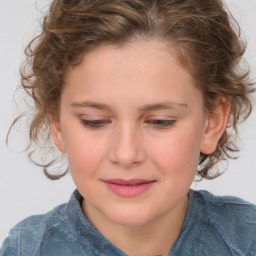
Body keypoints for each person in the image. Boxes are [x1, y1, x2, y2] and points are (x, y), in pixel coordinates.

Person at [1, 0, 255, 255]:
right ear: (57, 124)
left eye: (160, 121)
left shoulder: (247, 240)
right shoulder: (26, 250)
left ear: (211, 124)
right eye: (94, 121)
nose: (125, 154)